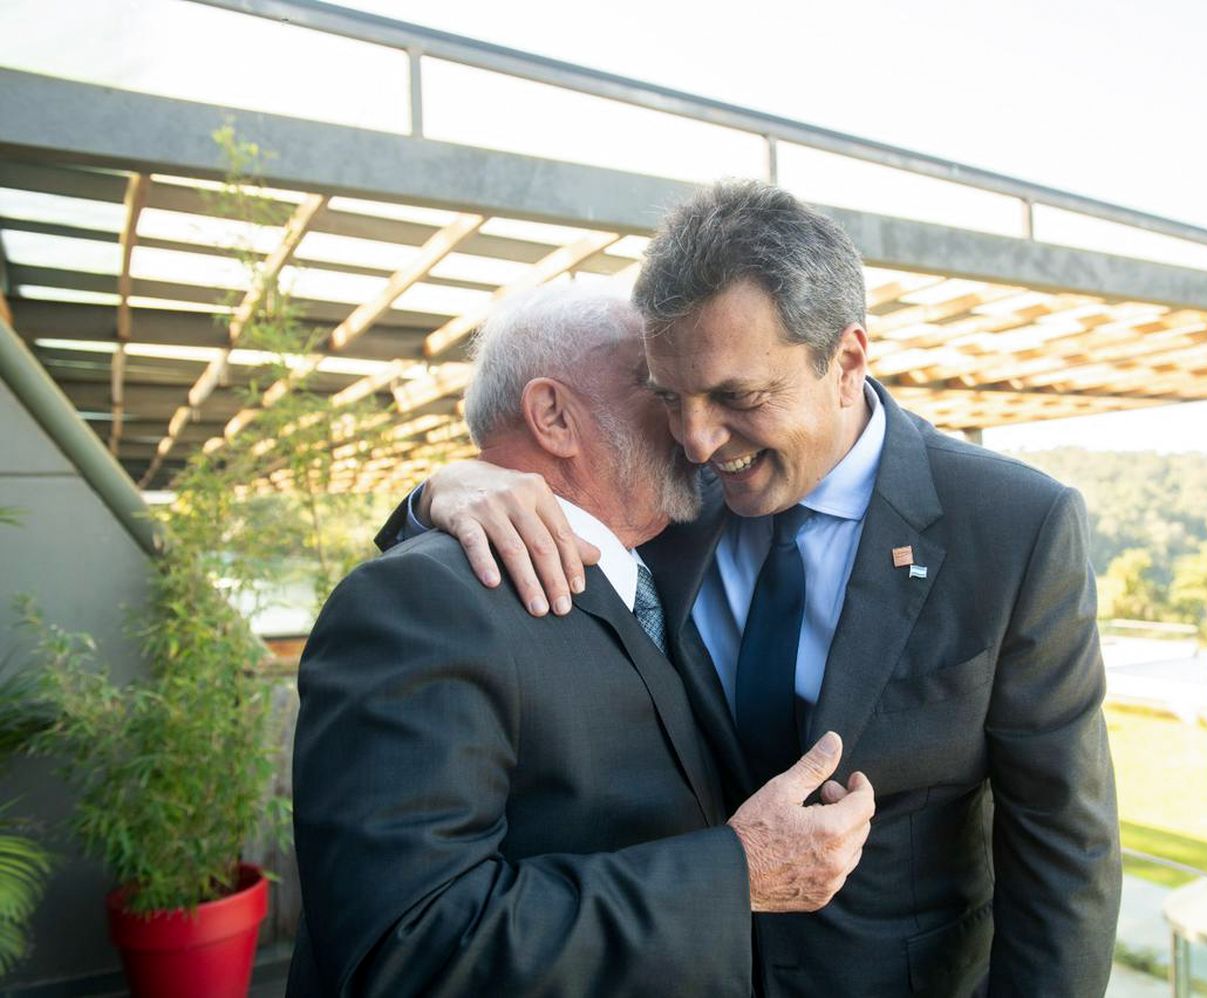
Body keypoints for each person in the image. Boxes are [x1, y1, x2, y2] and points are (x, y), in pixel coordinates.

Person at [388, 180, 1122, 997]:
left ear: (845, 363)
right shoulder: (668, 502)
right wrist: (437, 493)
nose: (698, 441)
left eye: (738, 398)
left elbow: (1064, 850)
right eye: (672, 398)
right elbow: (534, 524)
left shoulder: (1014, 526)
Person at [291, 286, 876, 996]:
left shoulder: (668, 544)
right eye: (660, 389)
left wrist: (434, 488)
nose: (697, 432)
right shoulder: (420, 602)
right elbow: (406, 947)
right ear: (553, 415)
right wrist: (738, 871)